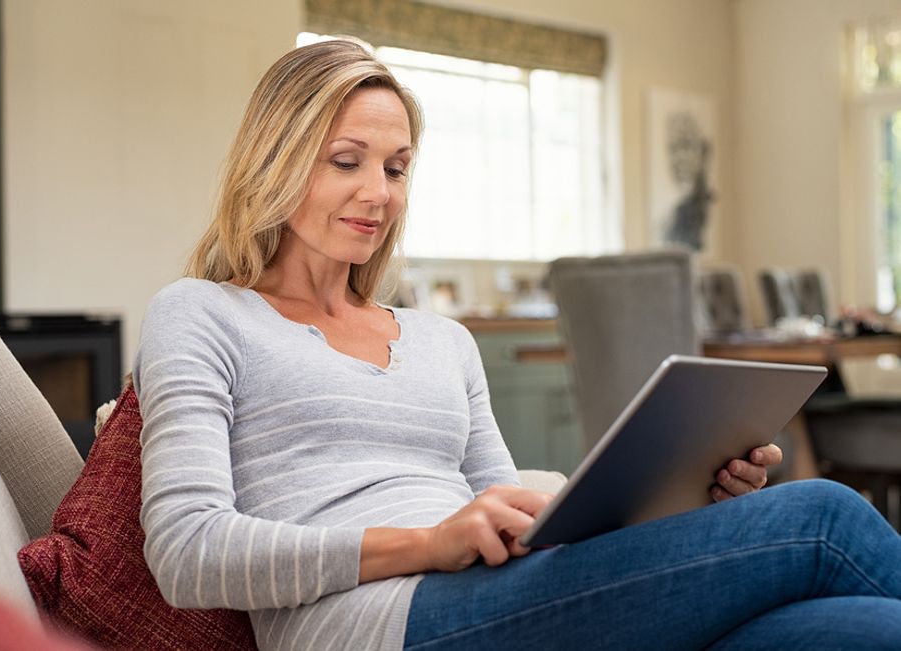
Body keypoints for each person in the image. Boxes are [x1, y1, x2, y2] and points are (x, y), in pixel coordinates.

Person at [133, 39, 901, 651]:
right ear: (276, 156)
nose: (380, 192)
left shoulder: (443, 341)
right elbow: (188, 551)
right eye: (347, 161)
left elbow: (524, 521)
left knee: (862, 631)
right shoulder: (202, 314)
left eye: (397, 168)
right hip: (380, 624)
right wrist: (427, 543)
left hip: (499, 600)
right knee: (824, 517)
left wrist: (689, 500)